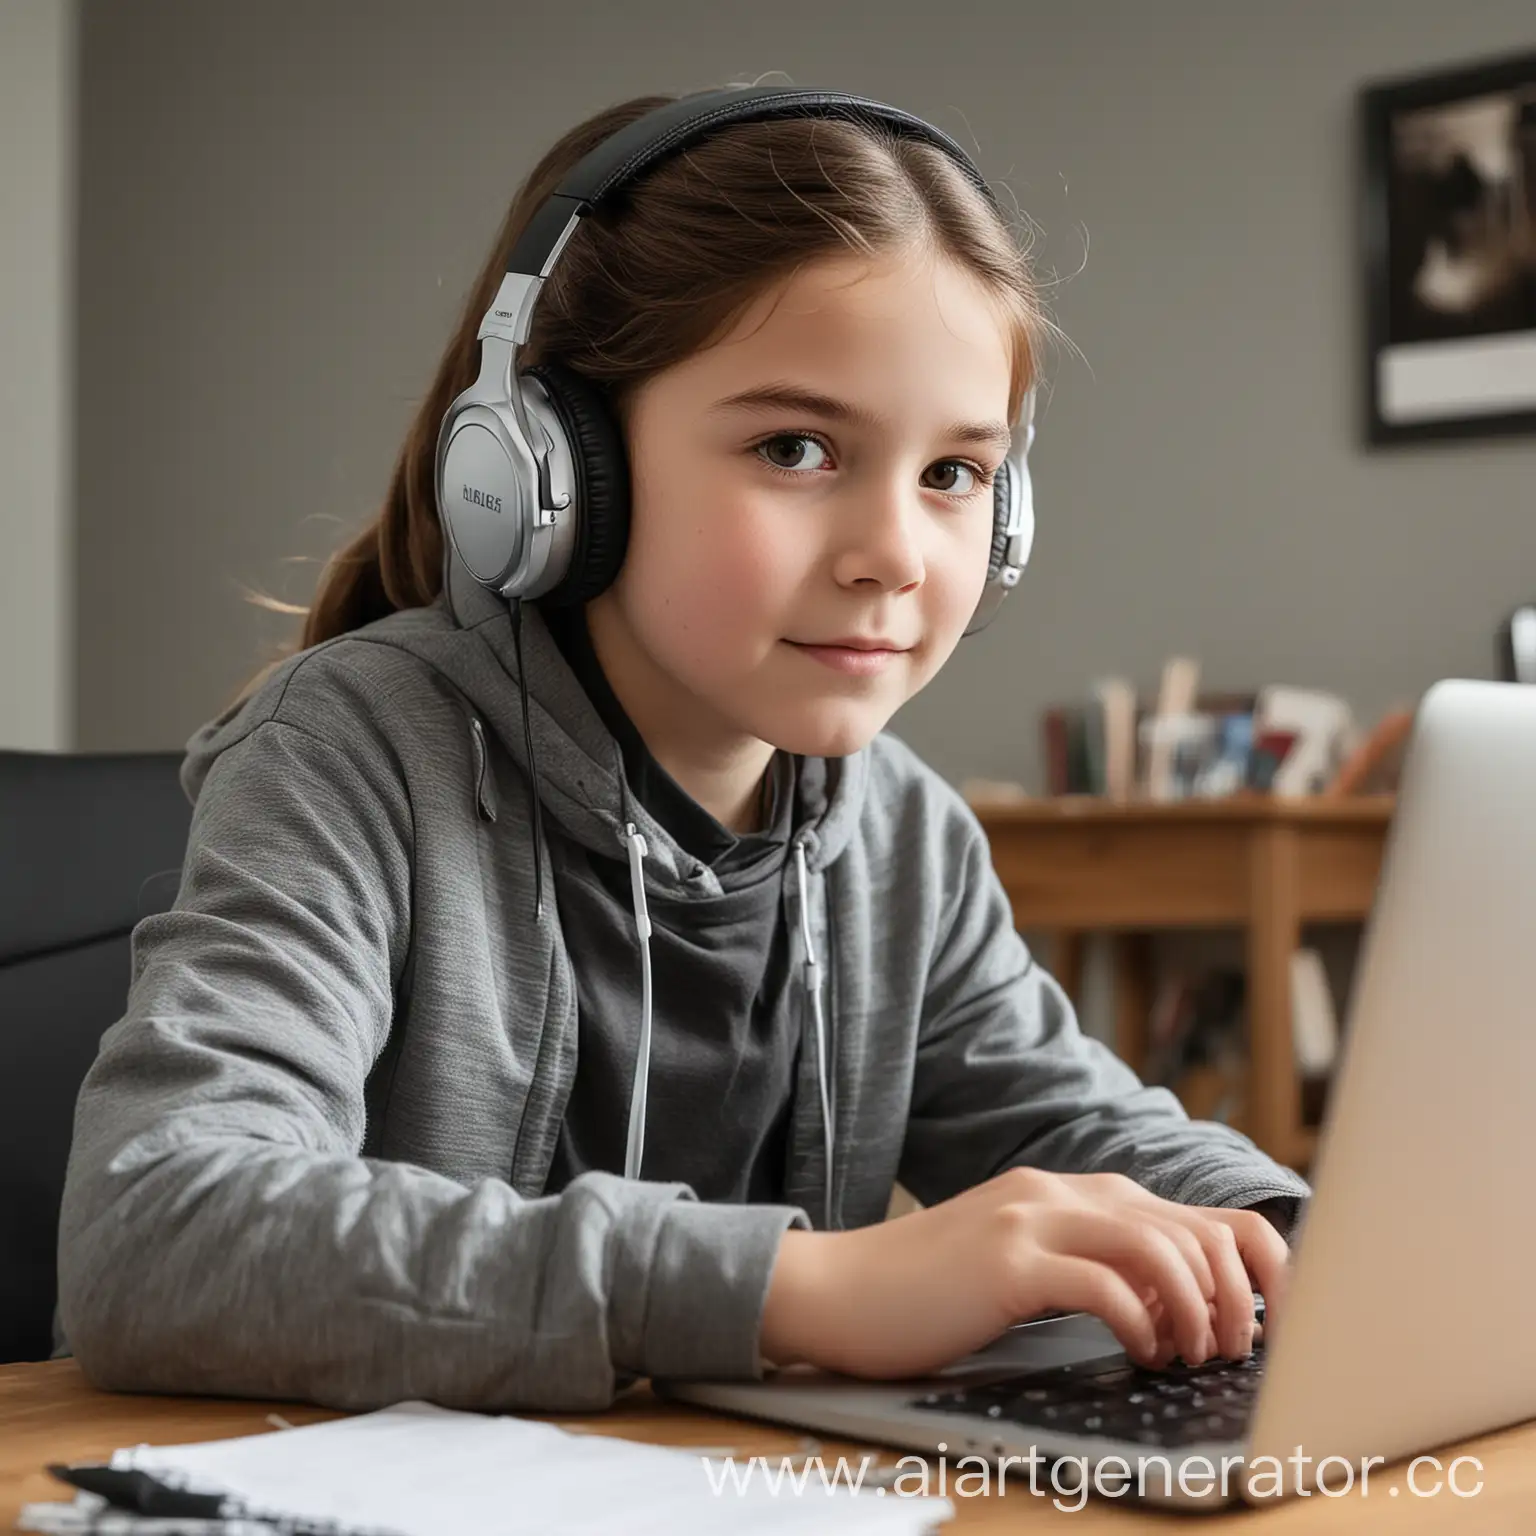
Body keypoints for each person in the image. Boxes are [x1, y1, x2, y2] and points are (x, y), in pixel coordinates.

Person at [56, 86, 1308, 1413]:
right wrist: (806, 1294)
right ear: (554, 470)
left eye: (954, 474)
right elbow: (155, 1227)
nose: (894, 554)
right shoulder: (350, 756)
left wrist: (1292, 1242)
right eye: (797, 447)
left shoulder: (902, 836)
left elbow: (1073, 1131)